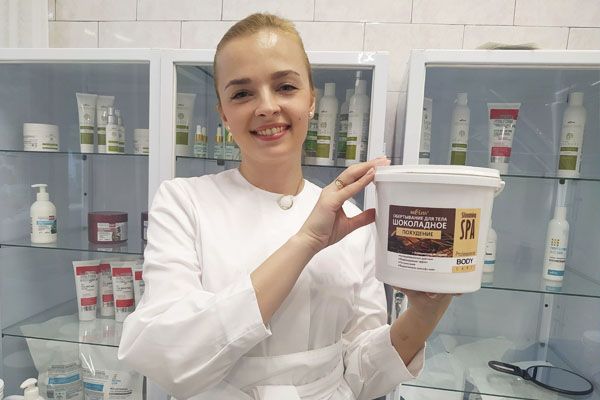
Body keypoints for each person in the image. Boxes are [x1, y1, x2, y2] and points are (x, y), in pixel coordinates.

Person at [118, 13, 453, 400]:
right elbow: (171, 357)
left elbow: (362, 375)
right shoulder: (183, 201)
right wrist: (306, 242)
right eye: (242, 94)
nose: (266, 106)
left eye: (285, 87)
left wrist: (426, 311)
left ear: (311, 100)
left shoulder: (349, 219)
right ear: (224, 113)